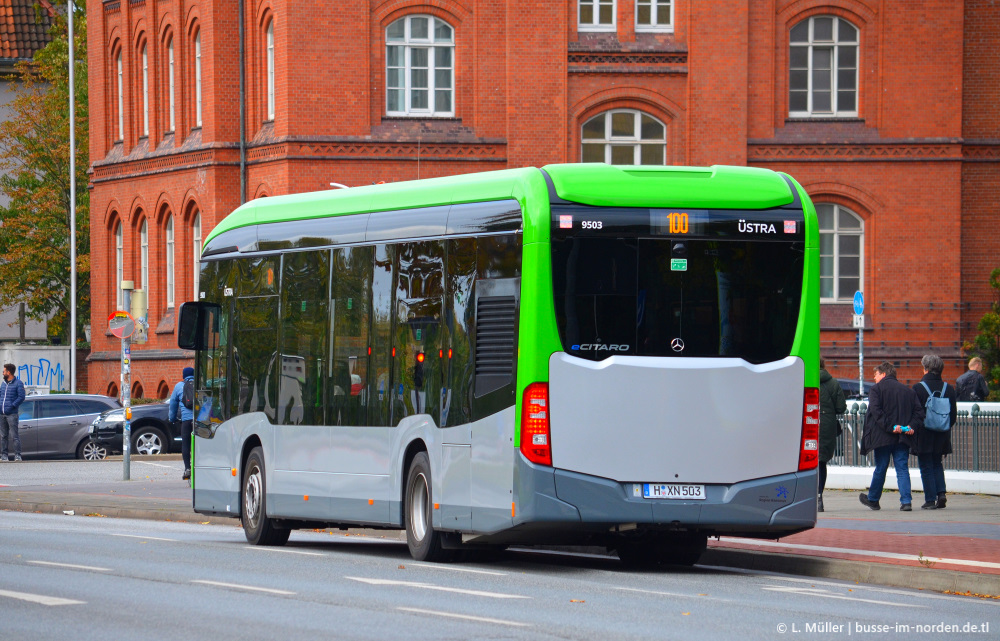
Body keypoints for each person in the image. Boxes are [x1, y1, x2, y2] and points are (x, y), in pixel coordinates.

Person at [859, 362, 924, 511]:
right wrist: (910, 427)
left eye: (875, 374)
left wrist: (891, 427)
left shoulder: (876, 390)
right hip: (903, 437)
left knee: (881, 467)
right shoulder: (908, 392)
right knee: (902, 468)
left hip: (883, 437)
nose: (874, 378)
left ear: (883, 374)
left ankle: (873, 499)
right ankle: (906, 501)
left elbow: (876, 412)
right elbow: (919, 413)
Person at [912, 354, 956, 509]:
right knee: (937, 463)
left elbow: (915, 413)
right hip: (942, 434)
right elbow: (953, 416)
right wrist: (942, 426)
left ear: (926, 369)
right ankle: (941, 493)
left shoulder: (918, 388)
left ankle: (930, 500)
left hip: (924, 433)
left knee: (925, 465)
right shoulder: (948, 389)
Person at [818, 358, 847, 513]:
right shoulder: (833, 383)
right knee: (821, 462)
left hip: (807, 422)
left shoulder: (804, 379)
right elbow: (841, 407)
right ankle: (819, 497)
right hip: (827, 425)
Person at [168, 366, 195, 480]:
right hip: (199, 420)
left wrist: (172, 419)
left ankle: (187, 468)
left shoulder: (179, 386)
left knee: (186, 444)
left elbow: (173, 405)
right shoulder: (200, 384)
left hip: (186, 421)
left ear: (183, 376)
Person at [0, 363, 26, 462]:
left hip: (12, 414)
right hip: (2, 414)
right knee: (3, 436)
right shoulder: (3, 383)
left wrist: (12, 406)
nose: (2, 373)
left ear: (8, 372)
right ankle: (4, 456)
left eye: (4, 371)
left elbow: (21, 397)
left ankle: (17, 455)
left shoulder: (18, 383)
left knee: (15, 436)